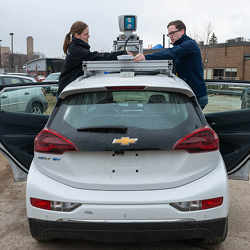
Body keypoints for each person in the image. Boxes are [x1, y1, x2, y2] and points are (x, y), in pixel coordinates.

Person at [134, 20, 208, 109]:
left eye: (172, 33)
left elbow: (171, 53)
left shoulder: (189, 45)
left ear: (182, 31)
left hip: (195, 95)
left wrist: (145, 57)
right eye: (169, 34)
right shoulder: (180, 46)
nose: (170, 36)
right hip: (186, 94)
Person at [58, 21, 126, 95]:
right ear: (77, 35)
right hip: (68, 93)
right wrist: (122, 53)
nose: (88, 36)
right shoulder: (77, 50)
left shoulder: (75, 48)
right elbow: (97, 57)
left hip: (68, 90)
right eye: (86, 34)